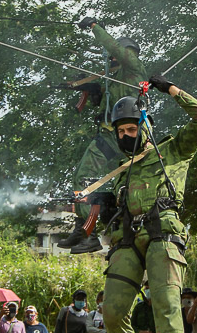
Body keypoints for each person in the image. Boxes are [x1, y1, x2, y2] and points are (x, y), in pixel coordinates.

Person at [101, 74, 197, 333]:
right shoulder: (120, 173)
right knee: (113, 312)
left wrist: (171, 89)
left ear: (145, 126)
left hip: (164, 234)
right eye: (119, 131)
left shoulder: (174, 150)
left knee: (166, 304)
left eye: (130, 129)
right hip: (128, 240)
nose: (124, 136)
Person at [59, 18, 150, 255]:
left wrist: (94, 27)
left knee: (129, 190)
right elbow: (101, 93)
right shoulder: (112, 80)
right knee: (82, 179)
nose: (112, 59)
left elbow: (114, 47)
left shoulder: (135, 69)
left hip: (131, 138)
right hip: (109, 136)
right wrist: (82, 87)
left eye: (116, 55)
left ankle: (121, 232)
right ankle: (84, 231)